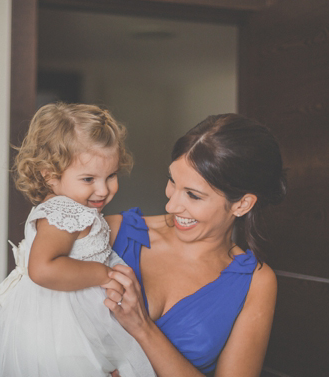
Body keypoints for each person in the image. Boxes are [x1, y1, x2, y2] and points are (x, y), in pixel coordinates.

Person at [102, 113, 286, 377]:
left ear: (242, 204)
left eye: (193, 195)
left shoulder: (256, 282)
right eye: (172, 182)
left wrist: (142, 328)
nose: (171, 205)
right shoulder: (113, 233)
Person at [0, 103, 155, 377]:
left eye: (111, 175)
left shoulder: (70, 207)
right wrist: (103, 273)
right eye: (89, 178)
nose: (103, 189)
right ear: (50, 175)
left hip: (72, 317)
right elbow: (42, 269)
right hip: (63, 325)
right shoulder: (65, 211)